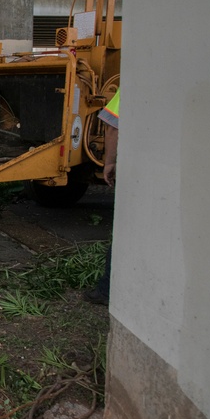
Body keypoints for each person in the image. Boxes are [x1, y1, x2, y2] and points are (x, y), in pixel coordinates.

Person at [84, 87, 120, 306]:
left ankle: (106, 290)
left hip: (138, 169)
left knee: (125, 231)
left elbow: (113, 127)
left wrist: (109, 162)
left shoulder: (133, 84)